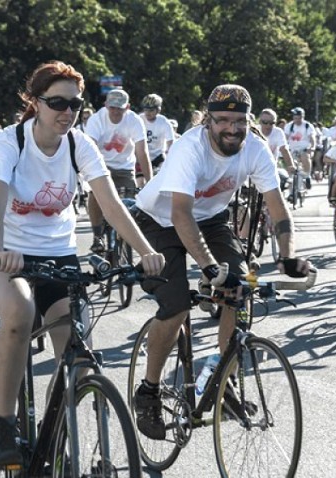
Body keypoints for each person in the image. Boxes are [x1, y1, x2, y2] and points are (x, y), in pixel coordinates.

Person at [0, 61, 164, 469]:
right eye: (56, 102)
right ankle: (4, 422)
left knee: (74, 350)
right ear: (35, 103)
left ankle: (56, 440)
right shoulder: (12, 142)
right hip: (4, 247)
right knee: (20, 312)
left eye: (74, 104)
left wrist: (145, 251)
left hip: (56, 254)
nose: (66, 111)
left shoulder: (80, 144)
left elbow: (110, 204)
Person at [131, 84, 312, 440]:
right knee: (177, 304)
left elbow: (277, 207)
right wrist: (209, 267)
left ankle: (224, 381)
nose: (232, 128)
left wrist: (288, 255)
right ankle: (149, 390)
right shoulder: (190, 148)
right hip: (161, 220)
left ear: (249, 119)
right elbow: (181, 215)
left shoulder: (256, 149)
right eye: (223, 120)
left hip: (211, 220)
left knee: (240, 287)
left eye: (239, 120)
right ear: (208, 121)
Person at [83, 88, 151, 253]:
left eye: (119, 108)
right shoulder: (97, 119)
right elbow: (89, 148)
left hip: (125, 167)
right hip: (100, 165)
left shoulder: (134, 120)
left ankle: (127, 237)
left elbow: (142, 151)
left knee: (129, 203)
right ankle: (97, 235)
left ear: (127, 107)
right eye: (112, 107)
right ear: (106, 105)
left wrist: (150, 182)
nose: (115, 111)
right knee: (94, 194)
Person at [138, 93, 175, 185]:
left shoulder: (164, 122)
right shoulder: (139, 119)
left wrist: (170, 158)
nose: (147, 113)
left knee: (161, 181)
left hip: (157, 157)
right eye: (145, 109)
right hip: (141, 156)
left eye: (151, 110)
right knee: (140, 183)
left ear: (158, 110)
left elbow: (171, 143)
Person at [284, 106, 315, 188]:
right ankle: (290, 182)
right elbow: (285, 138)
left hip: (304, 149)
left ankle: (307, 176)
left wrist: (312, 147)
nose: (296, 120)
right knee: (289, 163)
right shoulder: (289, 126)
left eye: (298, 118)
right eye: (295, 118)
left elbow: (312, 138)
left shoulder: (307, 126)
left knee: (305, 157)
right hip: (292, 149)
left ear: (302, 117)